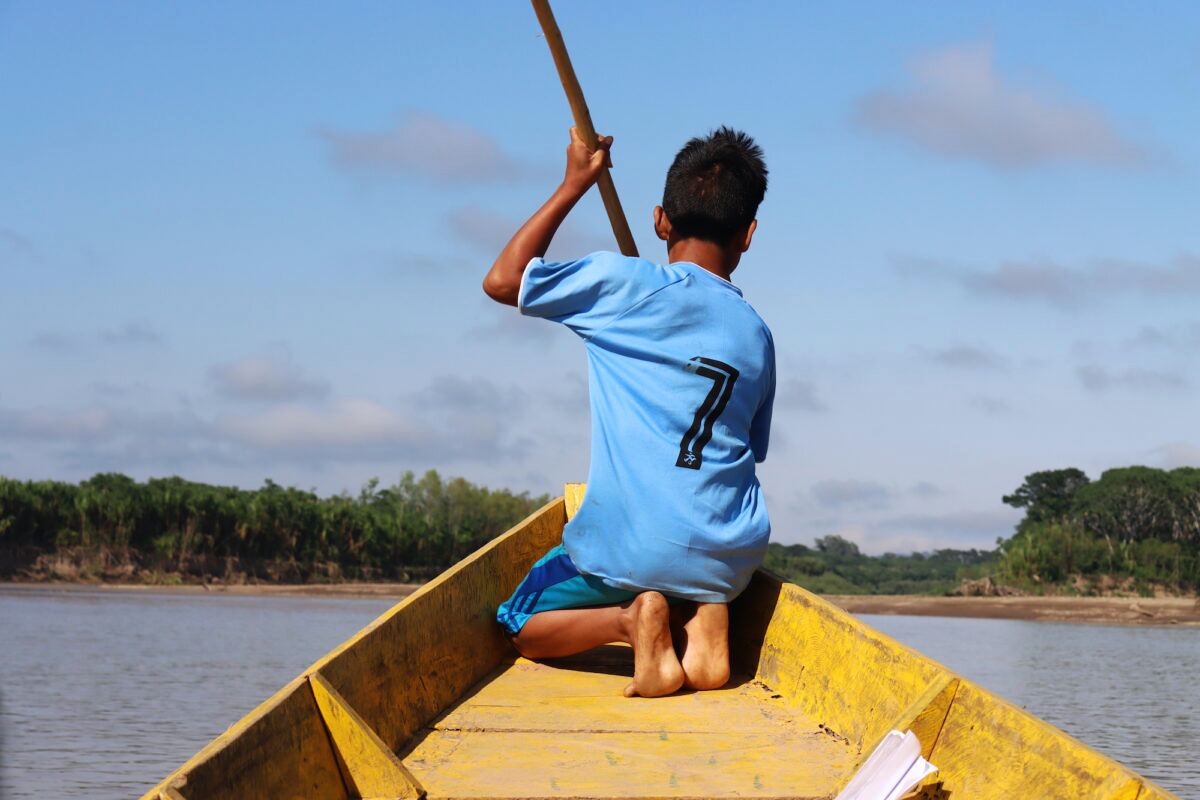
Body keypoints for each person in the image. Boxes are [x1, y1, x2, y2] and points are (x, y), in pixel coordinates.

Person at [482, 126, 774, 698]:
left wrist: (575, 184)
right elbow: (747, 450)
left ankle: (632, 622)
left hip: (635, 551)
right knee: (687, 564)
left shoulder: (624, 284)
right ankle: (706, 622)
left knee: (517, 623)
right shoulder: (757, 333)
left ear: (661, 221)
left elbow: (502, 280)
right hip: (729, 560)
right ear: (748, 234)